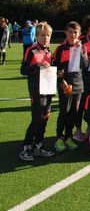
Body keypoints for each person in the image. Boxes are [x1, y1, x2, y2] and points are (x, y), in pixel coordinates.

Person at [19, 22, 55, 161]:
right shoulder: (31, 50)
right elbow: (23, 70)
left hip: (48, 89)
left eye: (48, 35)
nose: (46, 38)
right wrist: (36, 66)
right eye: (42, 35)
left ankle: (38, 146)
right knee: (36, 119)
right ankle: (25, 147)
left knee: (45, 118)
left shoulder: (49, 51)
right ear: (37, 35)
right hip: (36, 91)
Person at [52, 21, 88, 152]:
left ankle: (68, 137)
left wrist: (81, 52)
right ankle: (59, 139)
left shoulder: (82, 48)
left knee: (73, 113)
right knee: (64, 112)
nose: (73, 34)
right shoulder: (60, 49)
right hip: (66, 85)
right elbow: (54, 67)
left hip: (78, 85)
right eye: (71, 32)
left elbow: (85, 66)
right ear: (66, 33)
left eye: (76, 32)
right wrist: (60, 77)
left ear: (79, 34)